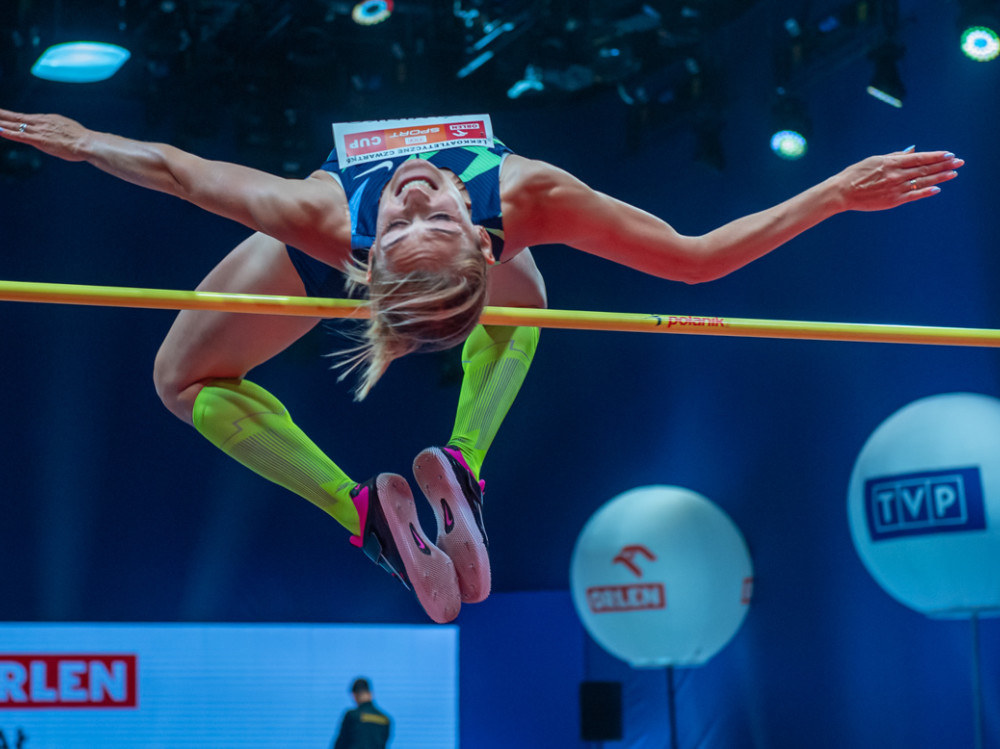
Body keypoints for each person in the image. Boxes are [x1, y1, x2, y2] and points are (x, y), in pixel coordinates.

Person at [0, 108, 963, 625]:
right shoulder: (512, 197)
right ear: (372, 258)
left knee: (185, 382)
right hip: (375, 268)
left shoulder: (335, 210)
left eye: (424, 215)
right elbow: (699, 253)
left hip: (381, 263)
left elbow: (175, 164)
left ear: (476, 230)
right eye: (414, 218)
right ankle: (447, 468)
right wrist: (832, 193)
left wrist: (88, 145)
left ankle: (370, 512)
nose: (417, 199)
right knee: (527, 299)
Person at [333, 677, 391, 749]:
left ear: (354, 695)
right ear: (371, 694)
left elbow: (340, 745)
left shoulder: (352, 716)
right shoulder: (385, 719)